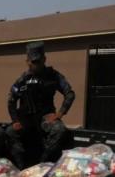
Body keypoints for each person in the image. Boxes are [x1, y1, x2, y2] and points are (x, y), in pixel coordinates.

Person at [6, 41, 76, 169]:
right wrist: (15, 120)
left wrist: (60, 113)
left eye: (38, 61)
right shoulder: (23, 79)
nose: (36, 65)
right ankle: (20, 165)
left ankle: (43, 162)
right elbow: (11, 101)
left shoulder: (53, 76)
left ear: (44, 59)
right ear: (27, 62)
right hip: (26, 118)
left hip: (45, 116)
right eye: (33, 62)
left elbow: (70, 93)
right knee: (9, 132)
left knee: (59, 130)